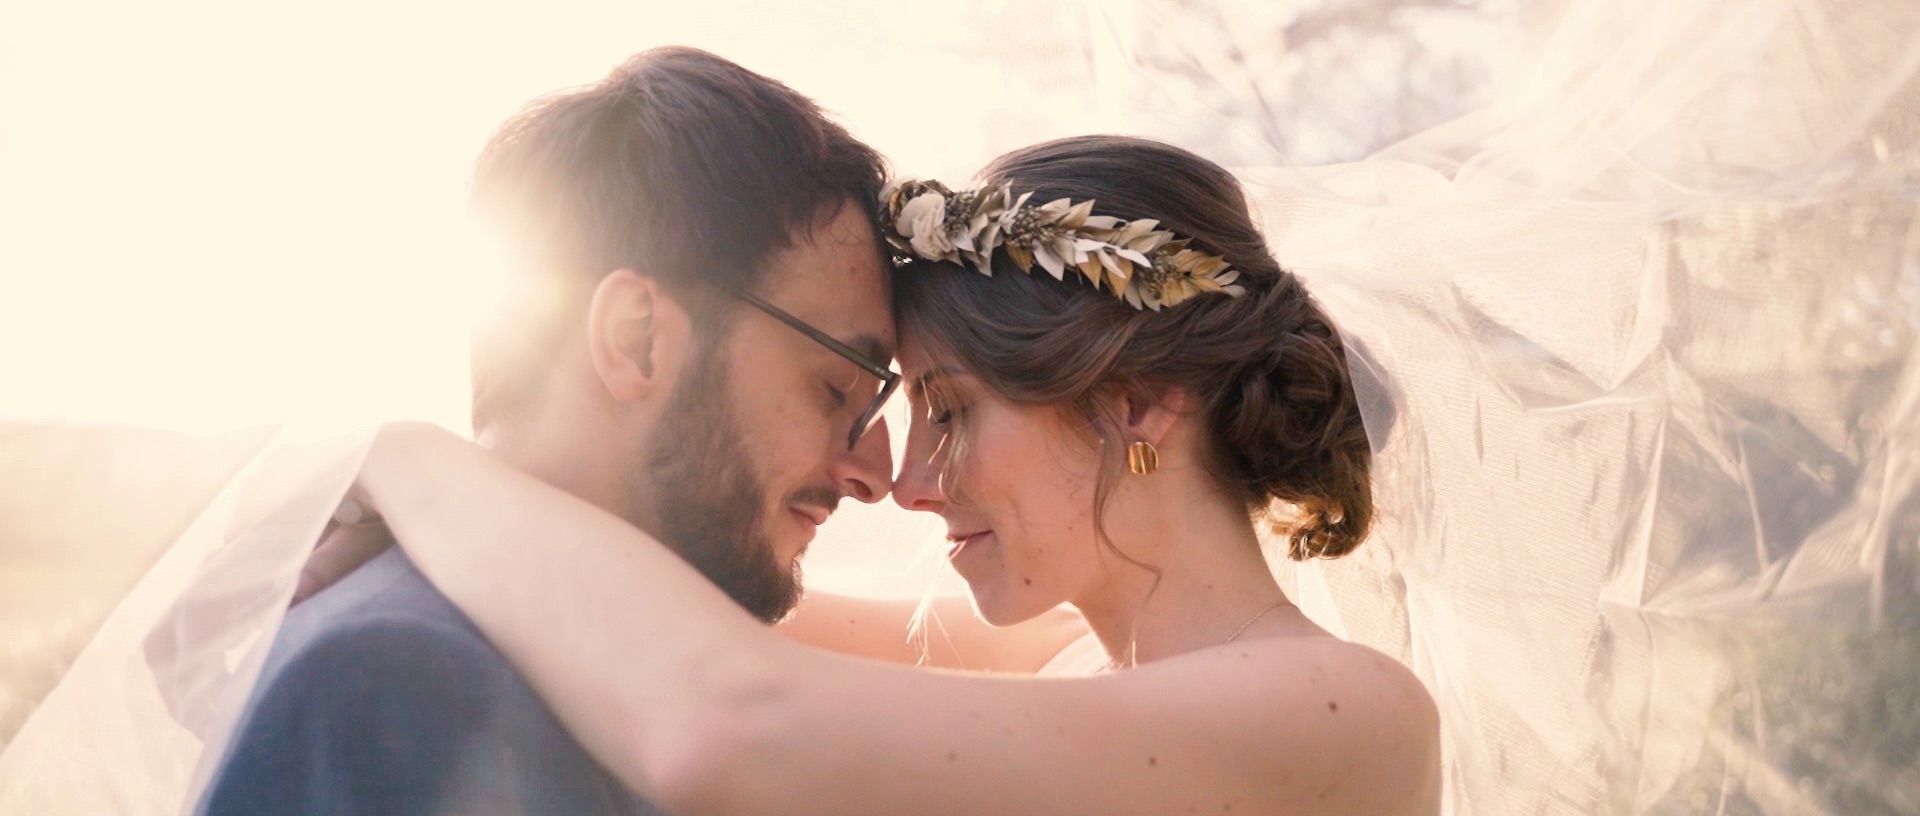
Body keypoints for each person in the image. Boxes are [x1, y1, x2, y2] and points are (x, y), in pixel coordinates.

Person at [347, 134, 1445, 815]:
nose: (909, 484)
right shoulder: (1057, 656)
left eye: (953, 413)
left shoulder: (1342, 711)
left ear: (1141, 403)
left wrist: (400, 458)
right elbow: (653, 590)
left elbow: (722, 718)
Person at [194, 46, 902, 814]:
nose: (877, 473)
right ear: (638, 339)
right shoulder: (398, 677)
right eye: (835, 389)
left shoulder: (626, 665)